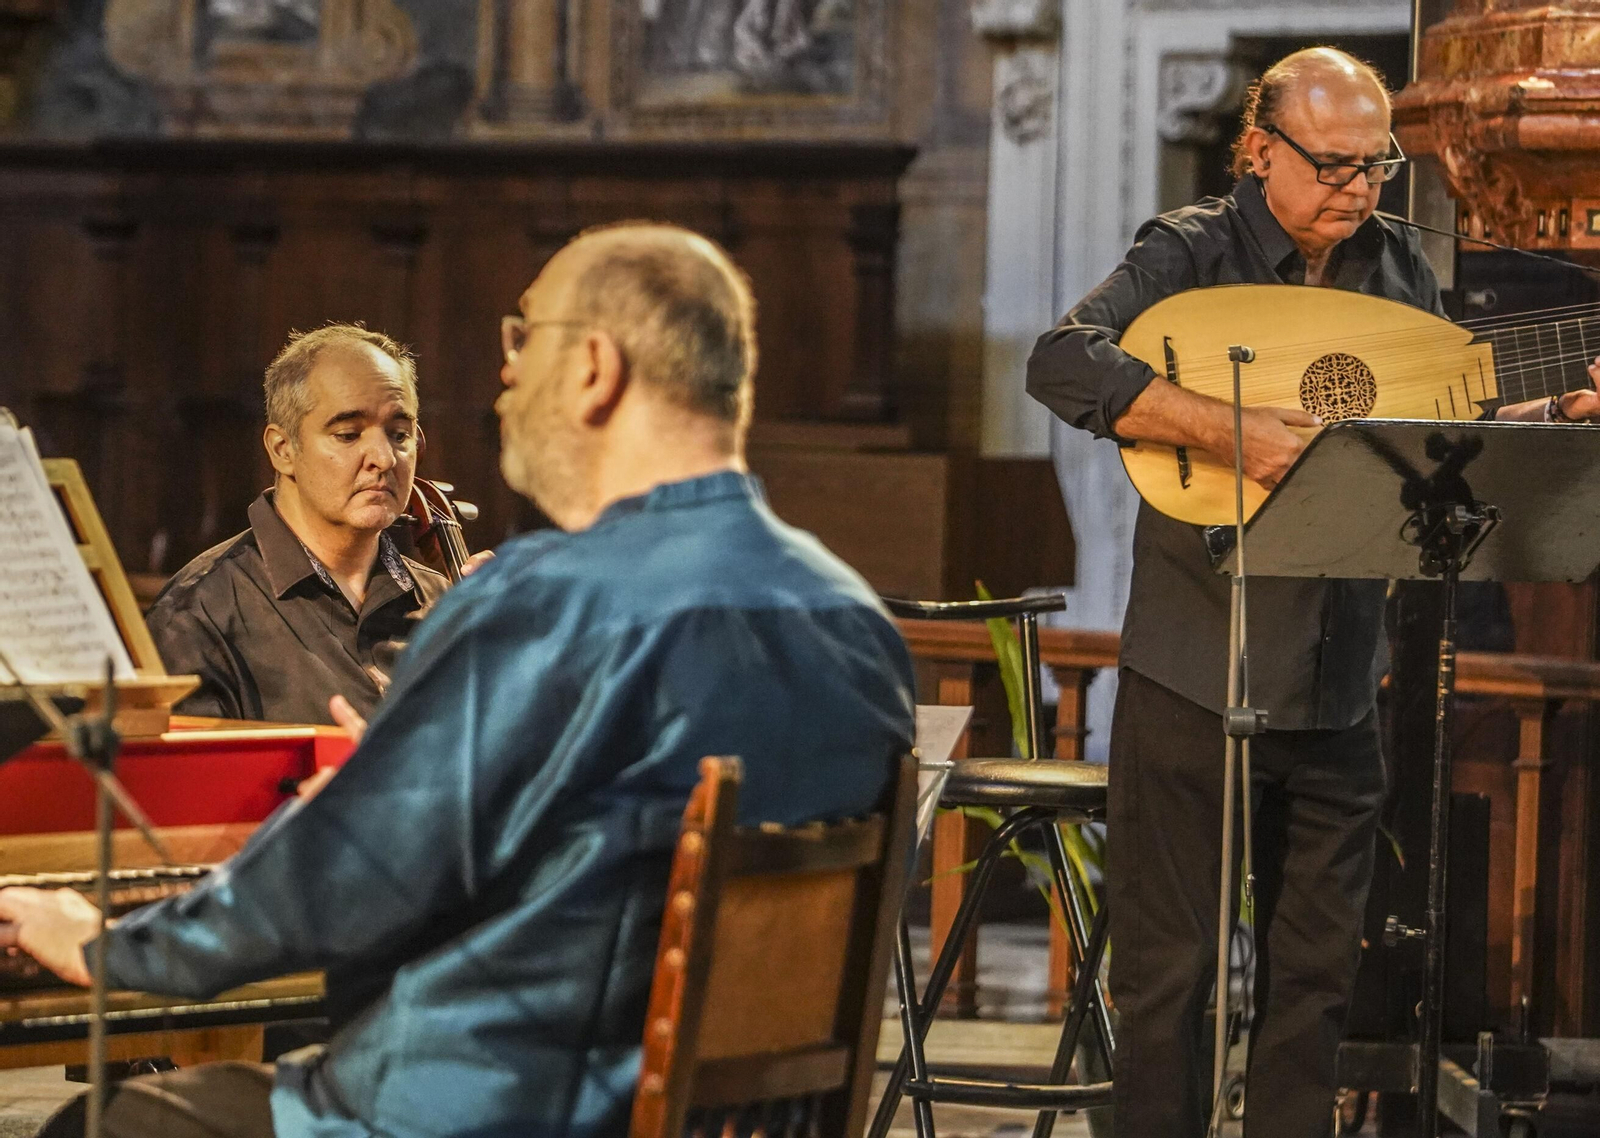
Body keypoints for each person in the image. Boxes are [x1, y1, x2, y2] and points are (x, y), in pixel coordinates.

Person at [0, 222, 916, 1138]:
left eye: (525, 338)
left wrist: (108, 945)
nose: (507, 375)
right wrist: (412, 784)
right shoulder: (854, 621)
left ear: (594, 368)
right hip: (718, 1120)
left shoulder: (545, 603)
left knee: (103, 1126)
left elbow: (340, 880)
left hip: (486, 1112)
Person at [1027, 47, 1600, 1138]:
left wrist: (1555, 416)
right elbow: (1061, 361)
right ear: (1259, 150)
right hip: (1198, 672)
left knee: (1314, 985)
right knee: (1171, 980)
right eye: (1332, 165)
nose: (1357, 188)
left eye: (1374, 166)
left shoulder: (1397, 268)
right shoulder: (1189, 251)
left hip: (1340, 680)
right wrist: (1225, 430)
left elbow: (1440, 427)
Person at [145, 323, 476, 725]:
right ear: (283, 449)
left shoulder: (444, 602)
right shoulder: (197, 614)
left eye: (399, 434)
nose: (385, 458)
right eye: (349, 434)